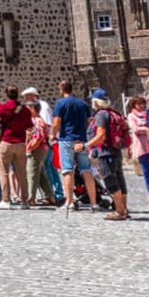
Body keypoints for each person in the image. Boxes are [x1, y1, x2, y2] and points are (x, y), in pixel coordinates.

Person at [50, 80, 97, 212]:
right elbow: (89, 121)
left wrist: (53, 135)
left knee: (67, 170)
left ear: (61, 90)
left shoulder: (60, 103)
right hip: (81, 140)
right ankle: (94, 203)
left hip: (66, 139)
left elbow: (56, 122)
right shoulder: (82, 103)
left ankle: (69, 202)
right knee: (86, 170)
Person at [0, 86, 33, 209]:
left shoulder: (3, 108)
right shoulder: (25, 110)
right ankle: (24, 201)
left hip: (6, 142)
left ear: (6, 94)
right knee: (22, 173)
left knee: (4, 172)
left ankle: (6, 200)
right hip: (21, 143)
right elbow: (29, 126)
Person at [87, 95, 131, 220]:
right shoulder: (112, 113)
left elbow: (100, 135)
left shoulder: (100, 115)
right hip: (115, 151)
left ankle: (119, 210)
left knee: (110, 181)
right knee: (119, 180)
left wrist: (86, 146)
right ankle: (124, 209)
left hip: (105, 152)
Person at [25, 89, 61, 205]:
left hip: (38, 149)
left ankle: (31, 198)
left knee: (32, 172)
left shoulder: (38, 121)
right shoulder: (35, 120)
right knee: (41, 174)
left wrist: (31, 147)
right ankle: (50, 195)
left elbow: (39, 136)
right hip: (40, 148)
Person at [127, 95, 149, 198]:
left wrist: (144, 128)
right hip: (140, 145)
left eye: (143, 103)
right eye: (139, 104)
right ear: (134, 105)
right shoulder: (131, 116)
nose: (142, 106)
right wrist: (148, 129)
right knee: (146, 170)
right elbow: (135, 129)